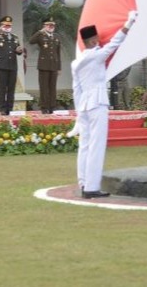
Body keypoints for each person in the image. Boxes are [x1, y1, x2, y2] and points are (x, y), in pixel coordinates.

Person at [72, 11, 137, 199]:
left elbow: (77, 90)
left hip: (84, 105)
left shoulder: (76, 62)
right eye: (97, 40)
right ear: (93, 41)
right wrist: (129, 22)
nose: (100, 42)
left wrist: (78, 114)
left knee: (84, 145)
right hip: (97, 103)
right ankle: (91, 187)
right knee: (96, 145)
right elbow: (115, 42)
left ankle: (83, 182)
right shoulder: (96, 56)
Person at [0, 15, 23, 115]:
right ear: (1, 26)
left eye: (9, 26)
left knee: (11, 88)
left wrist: (19, 51)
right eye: (5, 25)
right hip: (2, 66)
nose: (7, 27)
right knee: (2, 88)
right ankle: (2, 108)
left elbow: (18, 50)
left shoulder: (15, 37)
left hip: (12, 66)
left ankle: (10, 108)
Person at [28, 16, 61, 114]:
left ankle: (52, 106)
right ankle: (44, 107)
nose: (51, 27)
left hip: (54, 65)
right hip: (44, 65)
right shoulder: (41, 35)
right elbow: (31, 41)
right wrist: (40, 31)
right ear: (44, 26)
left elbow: (58, 53)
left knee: (52, 87)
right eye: (48, 25)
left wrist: (59, 67)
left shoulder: (56, 37)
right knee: (44, 87)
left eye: (52, 25)